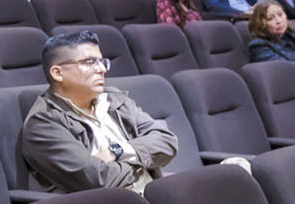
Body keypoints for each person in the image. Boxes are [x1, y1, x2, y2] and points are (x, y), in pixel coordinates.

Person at [20, 30, 178, 193]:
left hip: (152, 191)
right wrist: (143, 160)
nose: (102, 69)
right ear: (58, 73)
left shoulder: (114, 99)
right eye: (90, 62)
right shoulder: (43, 123)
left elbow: (167, 141)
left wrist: (117, 151)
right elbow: (99, 179)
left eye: (102, 61)